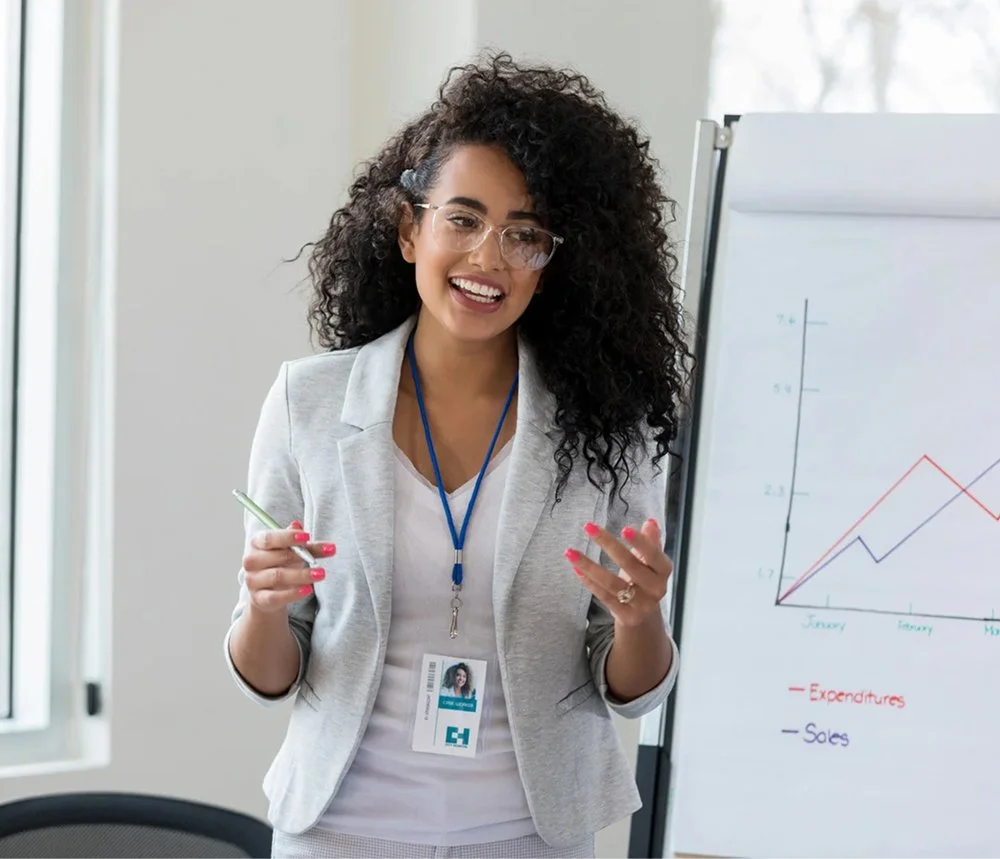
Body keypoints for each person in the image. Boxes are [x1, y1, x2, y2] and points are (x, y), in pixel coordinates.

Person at [224, 51, 692, 859]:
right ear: (410, 230)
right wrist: (265, 607)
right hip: (339, 831)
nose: (488, 259)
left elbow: (630, 690)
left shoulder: (604, 427)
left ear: (551, 267)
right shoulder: (309, 402)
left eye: (525, 236)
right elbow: (270, 674)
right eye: (463, 220)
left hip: (531, 835)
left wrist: (639, 618)